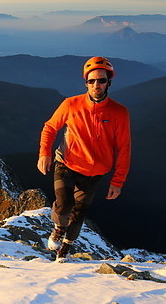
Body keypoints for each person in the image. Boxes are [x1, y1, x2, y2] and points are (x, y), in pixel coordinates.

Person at [37, 56, 131, 262]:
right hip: (67, 163)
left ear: (109, 82)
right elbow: (50, 128)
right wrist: (44, 153)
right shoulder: (71, 104)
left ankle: (65, 249)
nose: (96, 84)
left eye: (101, 80)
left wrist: (118, 181)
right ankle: (58, 228)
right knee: (63, 204)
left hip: (95, 172)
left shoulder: (119, 113)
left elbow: (124, 148)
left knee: (79, 213)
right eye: (92, 80)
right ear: (86, 82)